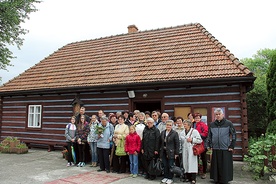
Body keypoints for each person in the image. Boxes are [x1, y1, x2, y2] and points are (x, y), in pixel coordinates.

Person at [207, 108, 236, 184]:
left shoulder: (228, 123)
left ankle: (225, 179)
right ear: (215, 115)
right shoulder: (212, 124)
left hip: (225, 148)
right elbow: (209, 136)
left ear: (223, 114)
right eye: (216, 114)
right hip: (215, 148)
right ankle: (216, 179)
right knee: (216, 165)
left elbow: (234, 135)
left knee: (225, 165)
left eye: (219, 114)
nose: (218, 115)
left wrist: (232, 146)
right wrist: (209, 145)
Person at [180, 119, 202, 184]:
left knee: (192, 163)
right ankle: (187, 177)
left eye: (185, 124)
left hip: (192, 150)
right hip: (185, 149)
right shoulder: (182, 132)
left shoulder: (194, 131)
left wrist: (192, 140)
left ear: (189, 125)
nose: (184, 125)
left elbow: (200, 140)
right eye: (183, 124)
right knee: (186, 163)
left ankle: (193, 178)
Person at [159, 120, 179, 184]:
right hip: (163, 151)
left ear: (172, 126)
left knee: (170, 165)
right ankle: (165, 177)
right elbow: (160, 142)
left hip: (171, 152)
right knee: (165, 165)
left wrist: (176, 153)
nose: (168, 126)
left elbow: (177, 144)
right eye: (167, 125)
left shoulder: (174, 133)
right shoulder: (162, 132)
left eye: (170, 125)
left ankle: (170, 178)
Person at [193, 112, 209, 179]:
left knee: (203, 159)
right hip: (194, 144)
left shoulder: (203, 125)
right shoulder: (193, 125)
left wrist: (197, 135)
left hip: (202, 144)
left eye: (198, 118)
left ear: (200, 118)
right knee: (195, 159)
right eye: (196, 118)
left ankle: (204, 172)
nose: (197, 119)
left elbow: (205, 134)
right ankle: (196, 171)